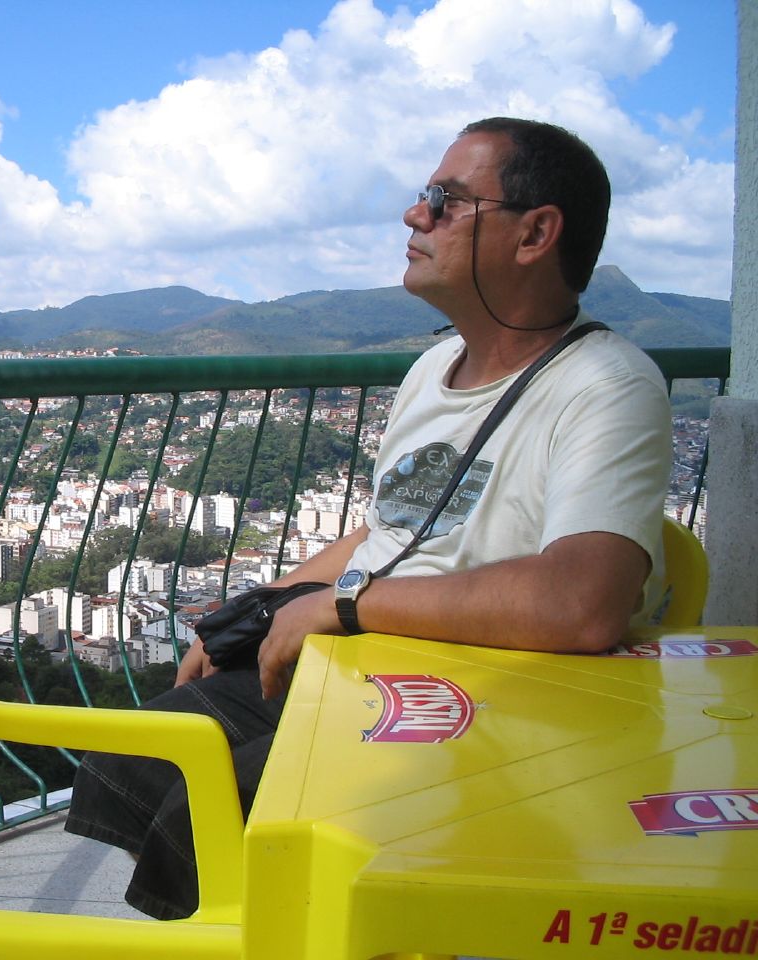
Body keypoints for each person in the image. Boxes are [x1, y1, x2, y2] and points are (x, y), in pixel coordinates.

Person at [64, 117, 673, 920]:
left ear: (535, 234)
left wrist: (344, 606)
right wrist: (250, 613)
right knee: (145, 750)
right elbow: (389, 531)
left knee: (225, 807)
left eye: (446, 201)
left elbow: (582, 602)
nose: (414, 216)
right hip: (366, 668)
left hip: (488, 704)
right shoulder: (430, 371)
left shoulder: (608, 384)